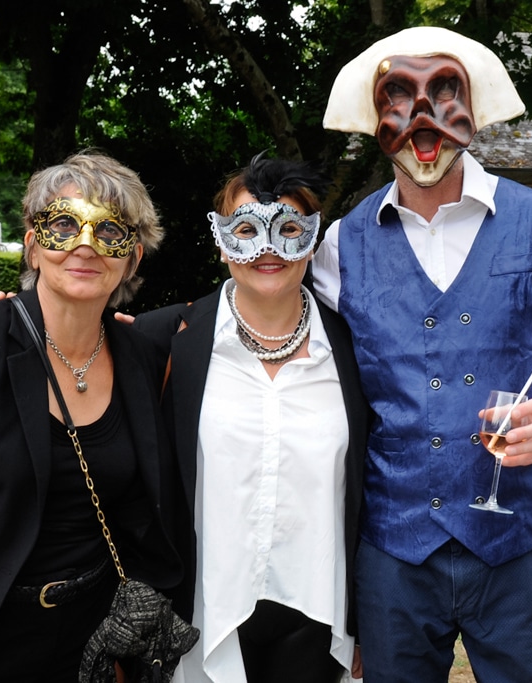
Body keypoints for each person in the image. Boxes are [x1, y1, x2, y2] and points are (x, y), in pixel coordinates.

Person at [316, 26, 532, 682]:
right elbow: (308, 365)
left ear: (472, 112)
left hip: (513, 543)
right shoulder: (341, 244)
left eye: (443, 91)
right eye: (398, 96)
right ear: (375, 120)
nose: (422, 115)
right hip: (394, 550)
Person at [0, 152, 184, 682]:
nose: (85, 244)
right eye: (63, 224)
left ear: (133, 256)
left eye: (110, 230)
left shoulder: (143, 356)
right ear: (32, 244)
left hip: (88, 644)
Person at [132, 155, 368, 683]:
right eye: (245, 230)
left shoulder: (355, 350)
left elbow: (371, 488)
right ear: (221, 241)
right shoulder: (161, 340)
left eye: (288, 229)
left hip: (318, 614)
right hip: (204, 613)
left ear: (312, 239)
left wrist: (365, 617)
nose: (266, 249)